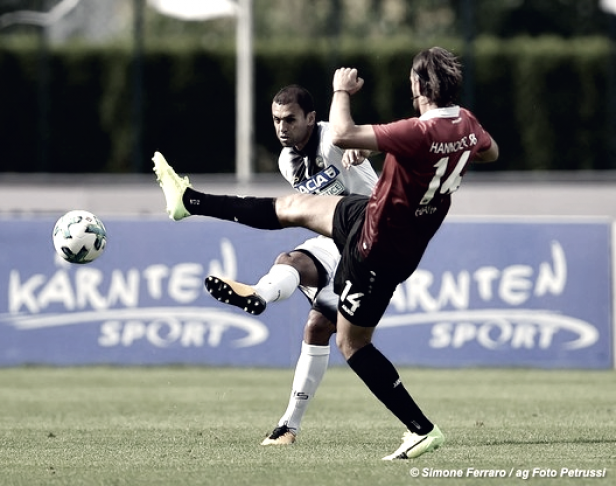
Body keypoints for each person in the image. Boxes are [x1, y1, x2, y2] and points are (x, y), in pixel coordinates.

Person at [153, 46, 499, 460]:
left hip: (373, 245)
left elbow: (341, 134)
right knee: (293, 210)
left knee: (352, 345)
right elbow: (489, 151)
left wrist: (341, 91)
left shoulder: (417, 131)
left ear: (419, 85)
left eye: (411, 76)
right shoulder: (466, 123)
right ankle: (192, 203)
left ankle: (421, 428)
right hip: (386, 226)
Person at [204, 85, 378, 446]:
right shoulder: (287, 162)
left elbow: (367, 136)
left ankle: (290, 427)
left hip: (370, 240)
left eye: (290, 119)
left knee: (326, 330)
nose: (282, 127)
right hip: (334, 238)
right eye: (276, 120)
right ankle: (258, 294)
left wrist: (362, 146)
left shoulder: (333, 137)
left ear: (311, 119)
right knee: (289, 262)